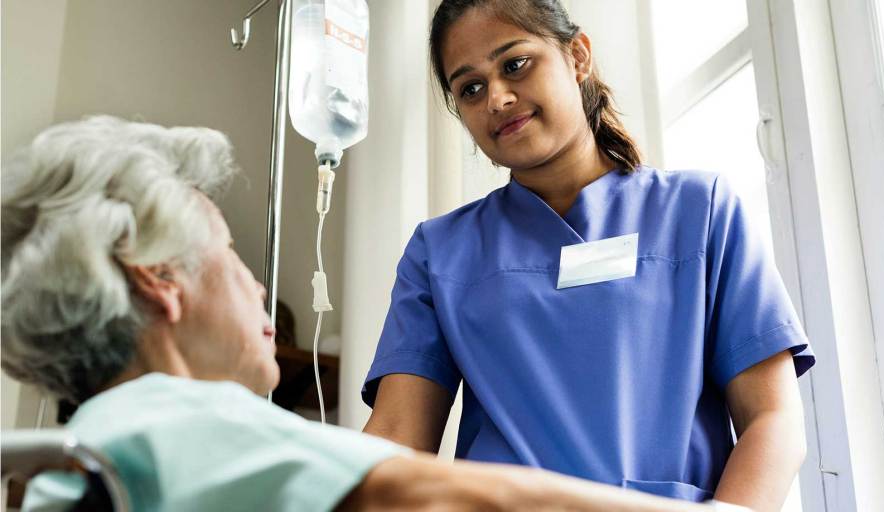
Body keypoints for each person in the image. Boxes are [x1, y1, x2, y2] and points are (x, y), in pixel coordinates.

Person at [0, 116, 734, 511]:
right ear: (160, 280)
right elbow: (426, 496)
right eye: (232, 257)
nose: (258, 291)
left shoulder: (91, 447)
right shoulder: (177, 421)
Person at [361, 1, 816, 510]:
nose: (497, 98)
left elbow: (773, 420)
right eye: (470, 88)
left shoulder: (699, 212)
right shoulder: (439, 251)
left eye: (514, 64)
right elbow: (398, 437)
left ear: (577, 56)